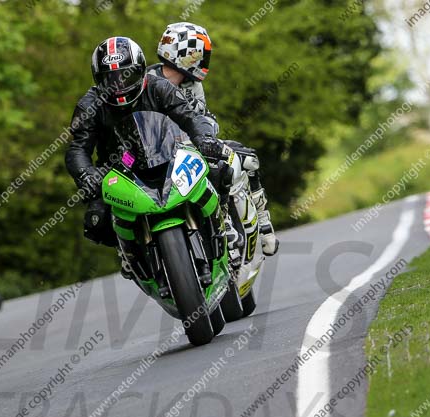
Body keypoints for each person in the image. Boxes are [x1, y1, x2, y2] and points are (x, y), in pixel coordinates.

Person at [64, 36, 239, 276]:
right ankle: (126, 251)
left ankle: (223, 223)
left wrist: (204, 139)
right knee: (97, 219)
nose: (119, 85)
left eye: (126, 76)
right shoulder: (89, 106)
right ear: (97, 79)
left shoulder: (158, 87)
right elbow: (78, 148)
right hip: (121, 167)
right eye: (110, 79)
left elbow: (189, 116)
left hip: (169, 153)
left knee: (219, 168)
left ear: (140, 70)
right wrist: (86, 174)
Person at [149, 22, 278, 256]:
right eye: (198, 55)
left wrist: (208, 131)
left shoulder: (193, 84)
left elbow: (201, 118)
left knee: (246, 160)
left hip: (192, 146)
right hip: (156, 154)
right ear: (180, 54)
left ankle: (260, 223)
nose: (202, 61)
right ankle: (128, 251)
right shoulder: (146, 81)